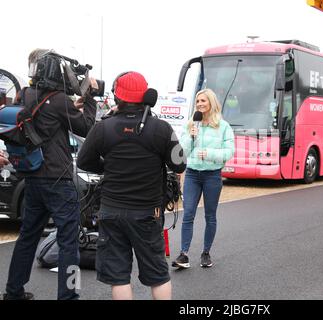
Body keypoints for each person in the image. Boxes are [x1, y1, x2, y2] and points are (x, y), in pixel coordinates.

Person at [77, 71, 186, 300]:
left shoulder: (103, 127)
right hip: (148, 213)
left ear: (117, 97)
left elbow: (84, 161)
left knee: (118, 277)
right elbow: (179, 164)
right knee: (158, 274)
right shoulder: (161, 129)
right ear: (146, 96)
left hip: (111, 212)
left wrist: (109, 167)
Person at [3, 49, 98, 300]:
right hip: (58, 179)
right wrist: (89, 98)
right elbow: (87, 127)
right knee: (69, 241)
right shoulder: (59, 100)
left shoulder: (24, 94)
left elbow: (44, 117)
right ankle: (69, 296)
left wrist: (71, 107)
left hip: (32, 175)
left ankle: (13, 291)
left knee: (27, 237)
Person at [172, 88, 234, 269]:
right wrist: (190, 136)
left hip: (212, 176)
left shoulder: (223, 126)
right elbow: (182, 151)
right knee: (188, 213)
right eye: (198, 101)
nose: (199, 104)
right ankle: (184, 255)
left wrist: (210, 153)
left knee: (210, 216)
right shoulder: (191, 124)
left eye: (203, 101)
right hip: (192, 174)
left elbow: (229, 151)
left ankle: (206, 252)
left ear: (211, 103)